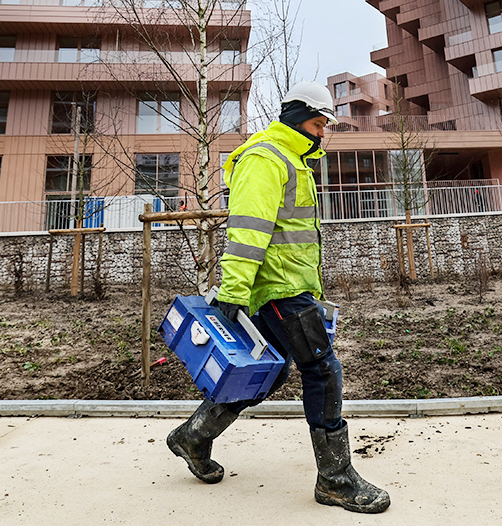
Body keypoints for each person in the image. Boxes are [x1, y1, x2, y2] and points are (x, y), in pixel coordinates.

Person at [167, 82, 391, 514]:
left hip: (288, 286)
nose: (321, 132)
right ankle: (336, 480)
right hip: (277, 289)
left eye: (325, 125)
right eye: (316, 123)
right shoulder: (265, 158)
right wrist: (232, 290)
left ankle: (193, 436)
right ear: (294, 117)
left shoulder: (291, 158)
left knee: (267, 373)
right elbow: (248, 230)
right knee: (322, 370)